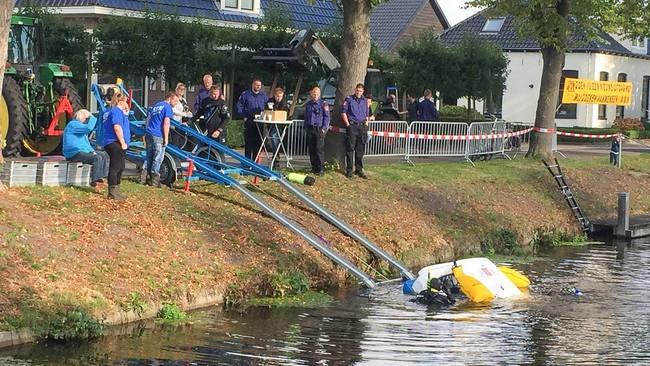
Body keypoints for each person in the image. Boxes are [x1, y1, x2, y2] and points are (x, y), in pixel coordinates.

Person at [63, 109, 109, 189]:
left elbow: (85, 144)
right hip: (74, 153)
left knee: (103, 154)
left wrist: (92, 151)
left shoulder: (80, 128)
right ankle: (95, 180)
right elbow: (89, 128)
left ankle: (102, 177)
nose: (86, 121)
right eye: (86, 119)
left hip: (81, 151)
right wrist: (92, 117)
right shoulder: (73, 125)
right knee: (96, 158)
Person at [145, 91, 178, 187]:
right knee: (158, 158)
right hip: (158, 135)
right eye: (175, 101)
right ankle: (155, 181)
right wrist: (166, 138)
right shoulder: (168, 107)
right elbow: (166, 123)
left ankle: (148, 178)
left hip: (149, 133)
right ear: (170, 98)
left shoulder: (157, 105)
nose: (176, 103)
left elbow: (148, 119)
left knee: (149, 156)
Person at [103, 99, 131, 200]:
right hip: (115, 142)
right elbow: (117, 127)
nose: (127, 104)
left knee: (121, 167)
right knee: (115, 167)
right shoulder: (116, 111)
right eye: (126, 101)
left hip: (117, 142)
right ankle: (112, 192)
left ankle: (117, 190)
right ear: (121, 102)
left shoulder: (118, 112)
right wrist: (122, 142)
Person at [193, 85, 230, 162]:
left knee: (219, 152)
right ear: (210, 93)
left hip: (218, 132)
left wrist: (219, 130)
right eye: (213, 94)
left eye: (217, 93)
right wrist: (190, 120)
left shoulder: (222, 103)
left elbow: (226, 118)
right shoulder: (205, 101)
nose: (215, 95)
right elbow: (198, 113)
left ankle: (220, 169)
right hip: (208, 131)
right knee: (206, 151)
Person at [341, 83, 370, 179]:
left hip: (362, 127)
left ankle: (359, 169)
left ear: (363, 92)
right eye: (357, 90)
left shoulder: (365, 101)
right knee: (350, 149)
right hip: (352, 126)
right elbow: (343, 113)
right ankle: (349, 170)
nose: (359, 92)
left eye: (360, 91)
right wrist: (348, 125)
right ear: (355, 90)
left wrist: (366, 125)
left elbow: (367, 114)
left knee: (360, 149)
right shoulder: (349, 99)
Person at [236, 78, 267, 160]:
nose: (258, 87)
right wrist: (243, 116)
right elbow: (239, 106)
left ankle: (255, 163)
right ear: (253, 85)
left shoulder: (263, 95)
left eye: (259, 85)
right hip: (249, 121)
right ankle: (247, 163)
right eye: (256, 85)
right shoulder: (246, 94)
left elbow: (267, 107)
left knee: (258, 143)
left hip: (260, 121)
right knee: (249, 143)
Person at [304, 85, 330, 176]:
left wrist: (324, 128)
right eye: (314, 93)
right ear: (311, 94)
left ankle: (321, 169)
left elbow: (326, 117)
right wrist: (306, 127)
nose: (315, 95)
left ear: (319, 94)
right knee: (311, 149)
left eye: (317, 93)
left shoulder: (323, 104)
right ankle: (314, 168)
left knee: (319, 149)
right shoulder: (308, 104)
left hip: (319, 129)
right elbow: (306, 117)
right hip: (310, 128)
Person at [265, 87, 289, 168]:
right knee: (272, 139)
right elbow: (266, 110)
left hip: (279, 125)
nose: (279, 98)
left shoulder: (284, 102)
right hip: (271, 124)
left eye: (280, 96)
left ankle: (276, 157)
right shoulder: (270, 101)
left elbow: (284, 113)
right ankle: (275, 156)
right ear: (274, 95)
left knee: (274, 137)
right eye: (277, 96)